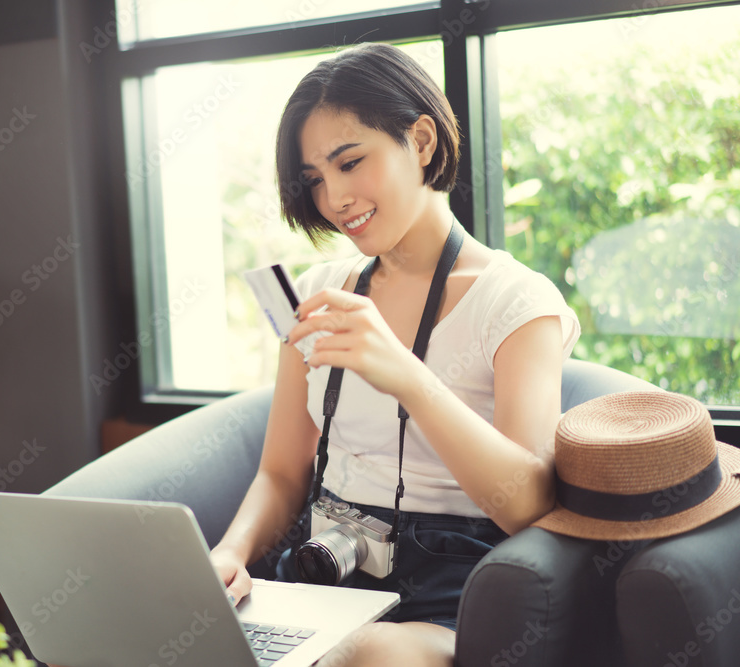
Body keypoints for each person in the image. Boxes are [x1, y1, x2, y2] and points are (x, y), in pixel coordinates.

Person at [208, 43, 580, 666]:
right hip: (321, 570)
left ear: (423, 141)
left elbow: (526, 505)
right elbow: (281, 472)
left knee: (371, 656)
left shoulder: (516, 303)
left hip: (449, 590)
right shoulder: (317, 293)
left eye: (351, 162)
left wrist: (409, 377)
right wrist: (229, 554)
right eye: (316, 180)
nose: (335, 199)